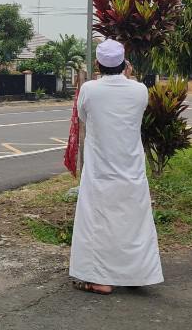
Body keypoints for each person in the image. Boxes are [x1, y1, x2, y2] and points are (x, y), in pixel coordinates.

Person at [69, 38, 163, 295]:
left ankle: (98, 279)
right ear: (125, 64)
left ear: (98, 64)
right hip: (130, 166)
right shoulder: (140, 90)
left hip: (100, 168)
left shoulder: (89, 89)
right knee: (133, 220)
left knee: (96, 221)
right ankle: (136, 274)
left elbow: (83, 117)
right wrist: (129, 76)